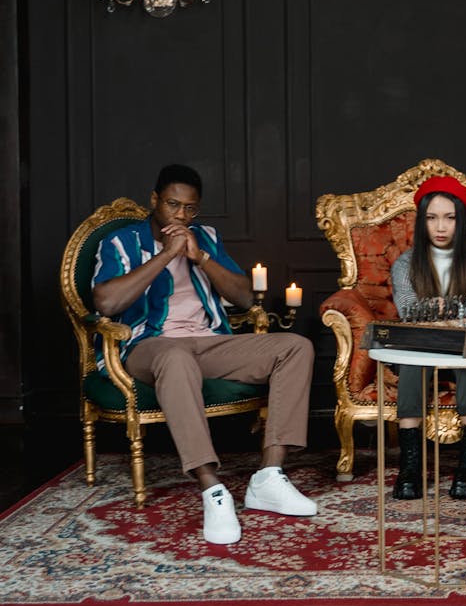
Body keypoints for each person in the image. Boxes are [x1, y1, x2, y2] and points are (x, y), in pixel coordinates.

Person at [92, 164, 317, 545]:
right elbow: (107, 302)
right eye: (172, 205)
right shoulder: (120, 242)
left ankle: (268, 476)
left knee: (295, 347)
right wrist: (166, 256)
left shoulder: (206, 238)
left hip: (209, 342)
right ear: (154, 201)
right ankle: (212, 488)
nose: (180, 216)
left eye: (189, 209)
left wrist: (200, 259)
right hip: (149, 345)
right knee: (176, 358)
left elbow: (245, 297)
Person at [390, 174, 466, 501]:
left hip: (464, 346)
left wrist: (439, 307)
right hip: (420, 345)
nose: (440, 227)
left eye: (449, 218)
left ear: (461, 222)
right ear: (421, 221)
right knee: (411, 365)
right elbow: (409, 311)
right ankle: (410, 467)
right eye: (432, 218)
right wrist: (453, 309)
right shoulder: (404, 263)